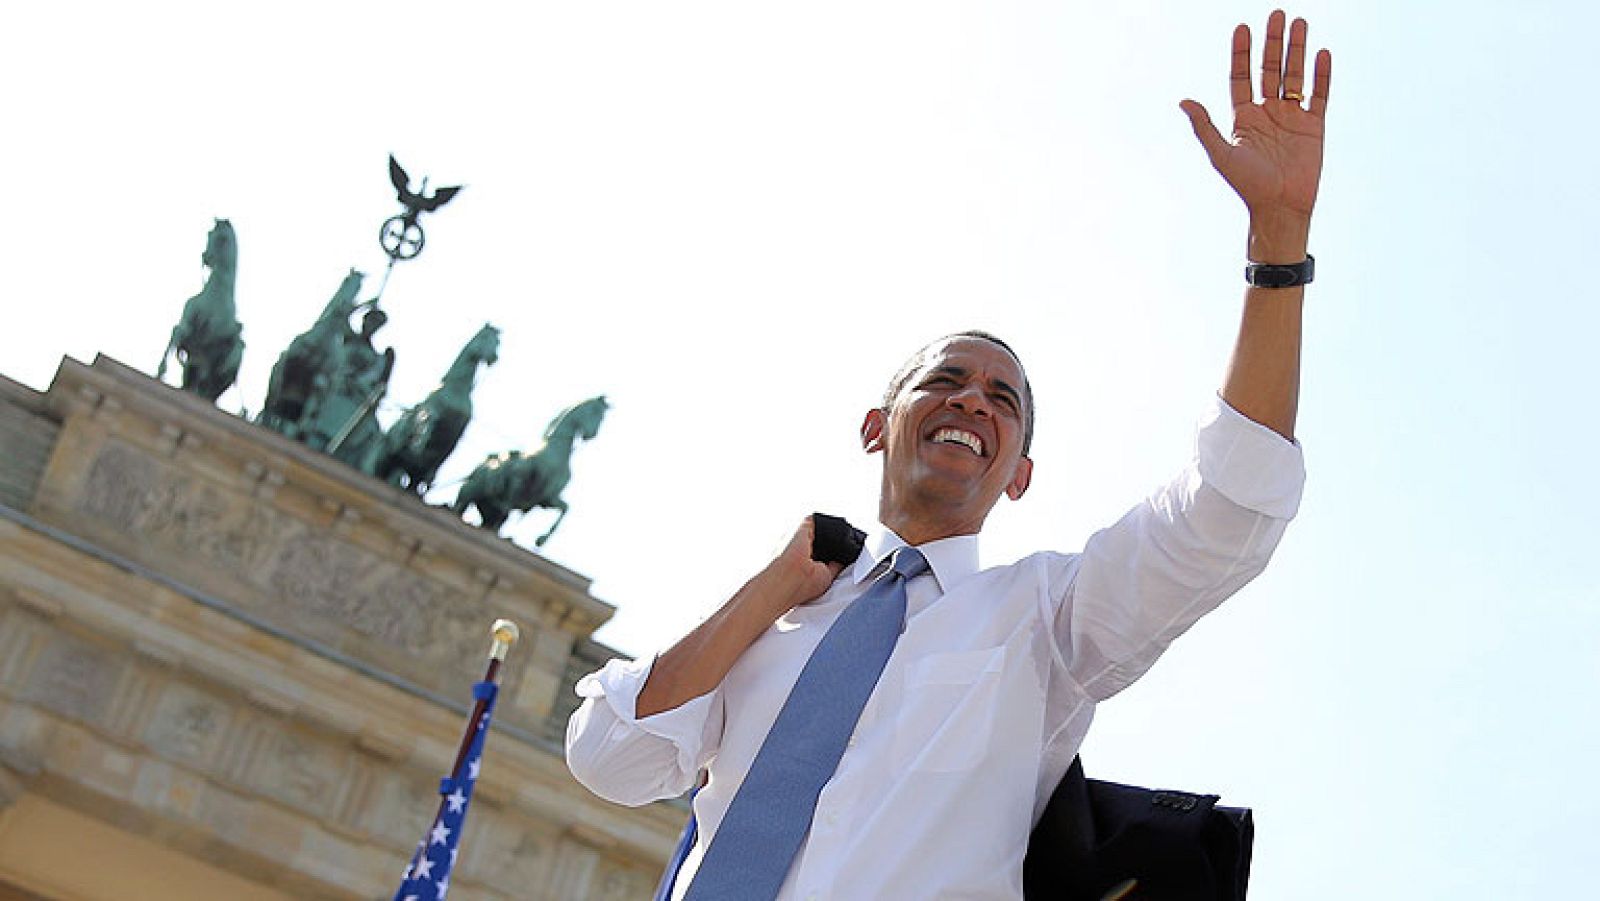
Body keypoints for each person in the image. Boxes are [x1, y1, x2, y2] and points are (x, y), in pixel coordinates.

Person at [566, 10, 1330, 899]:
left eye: (1003, 400)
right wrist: (777, 584)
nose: (972, 398)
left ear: (1021, 473)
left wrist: (1276, 247)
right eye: (946, 379)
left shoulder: (1043, 618)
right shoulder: (771, 624)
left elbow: (1228, 511)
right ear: (876, 425)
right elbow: (611, 757)